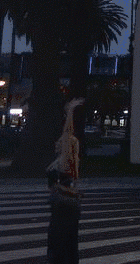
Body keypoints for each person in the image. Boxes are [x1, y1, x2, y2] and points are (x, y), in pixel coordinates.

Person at [48, 97, 84, 262]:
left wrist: (70, 111)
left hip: (64, 205)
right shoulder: (66, 163)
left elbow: (68, 132)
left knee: (60, 241)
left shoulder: (65, 162)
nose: (58, 143)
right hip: (66, 204)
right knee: (67, 241)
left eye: (61, 142)